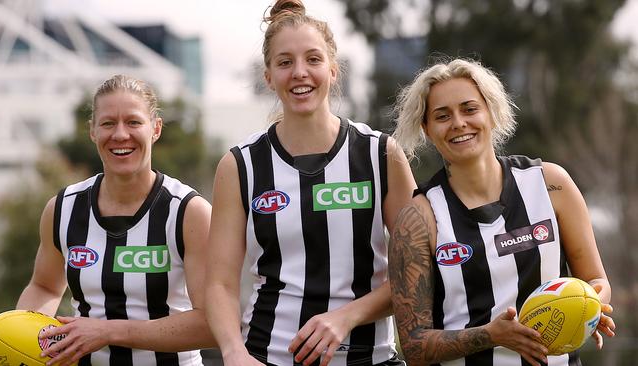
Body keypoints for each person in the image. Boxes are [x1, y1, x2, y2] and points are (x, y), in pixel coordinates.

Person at [203, 1, 416, 365]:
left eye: (313, 60)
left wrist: (346, 317)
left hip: (371, 356)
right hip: (266, 356)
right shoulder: (240, 164)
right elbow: (220, 284)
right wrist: (234, 352)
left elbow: (418, 271)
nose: (300, 72)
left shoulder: (381, 154)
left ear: (333, 70)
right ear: (268, 76)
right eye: (285, 62)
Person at [387, 58, 616, 366]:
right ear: (427, 129)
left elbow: (596, 280)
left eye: (469, 109)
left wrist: (590, 306)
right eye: (442, 116)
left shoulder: (552, 184)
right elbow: (414, 346)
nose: (458, 123)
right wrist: (492, 335)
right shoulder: (418, 218)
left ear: (492, 112)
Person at [16, 74, 216, 365]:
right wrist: (19, 337)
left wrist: (108, 332)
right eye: (108, 123)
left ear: (155, 129)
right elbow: (44, 287)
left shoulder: (188, 211)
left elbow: (212, 324)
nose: (120, 135)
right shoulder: (63, 208)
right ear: (93, 131)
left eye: (133, 122)